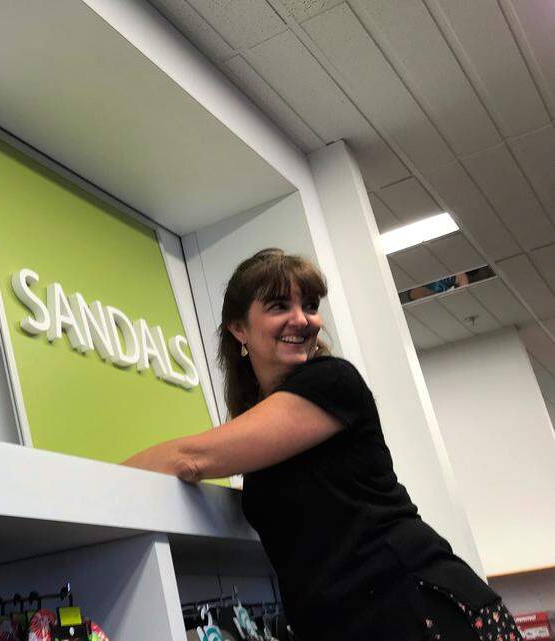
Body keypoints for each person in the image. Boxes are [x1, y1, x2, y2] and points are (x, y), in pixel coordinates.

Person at [125, 249, 519, 641]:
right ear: (239, 330)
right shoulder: (268, 425)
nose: (302, 318)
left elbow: (192, 458)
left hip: (414, 606)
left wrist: (96, 484)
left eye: (310, 305)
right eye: (280, 305)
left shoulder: (332, 381)